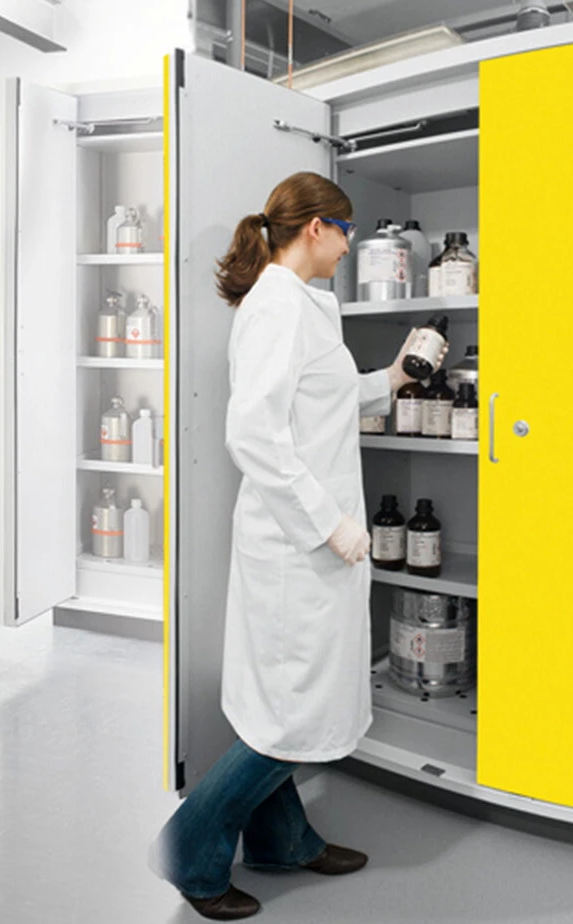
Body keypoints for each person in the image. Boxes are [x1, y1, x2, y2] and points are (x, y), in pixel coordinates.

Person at [152, 172, 439, 920]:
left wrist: (396, 376)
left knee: (290, 707)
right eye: (346, 231)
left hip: (313, 542)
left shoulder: (307, 305)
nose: (350, 247)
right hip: (296, 545)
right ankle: (190, 853)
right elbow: (253, 433)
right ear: (316, 227)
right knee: (289, 721)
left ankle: (285, 842)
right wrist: (330, 522)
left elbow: (326, 400)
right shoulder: (277, 305)